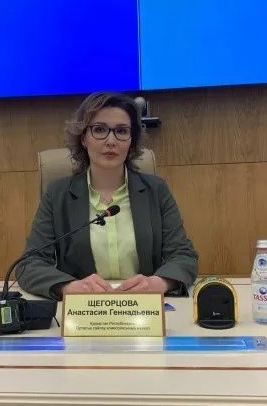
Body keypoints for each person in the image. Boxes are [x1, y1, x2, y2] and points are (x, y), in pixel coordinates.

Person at [16, 91, 198, 300]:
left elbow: (184, 256)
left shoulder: (156, 191)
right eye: (100, 130)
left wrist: (157, 283)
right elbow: (29, 264)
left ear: (131, 140)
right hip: (84, 310)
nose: (111, 141)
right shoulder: (58, 195)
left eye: (121, 131)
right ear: (84, 138)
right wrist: (69, 287)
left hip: (143, 308)